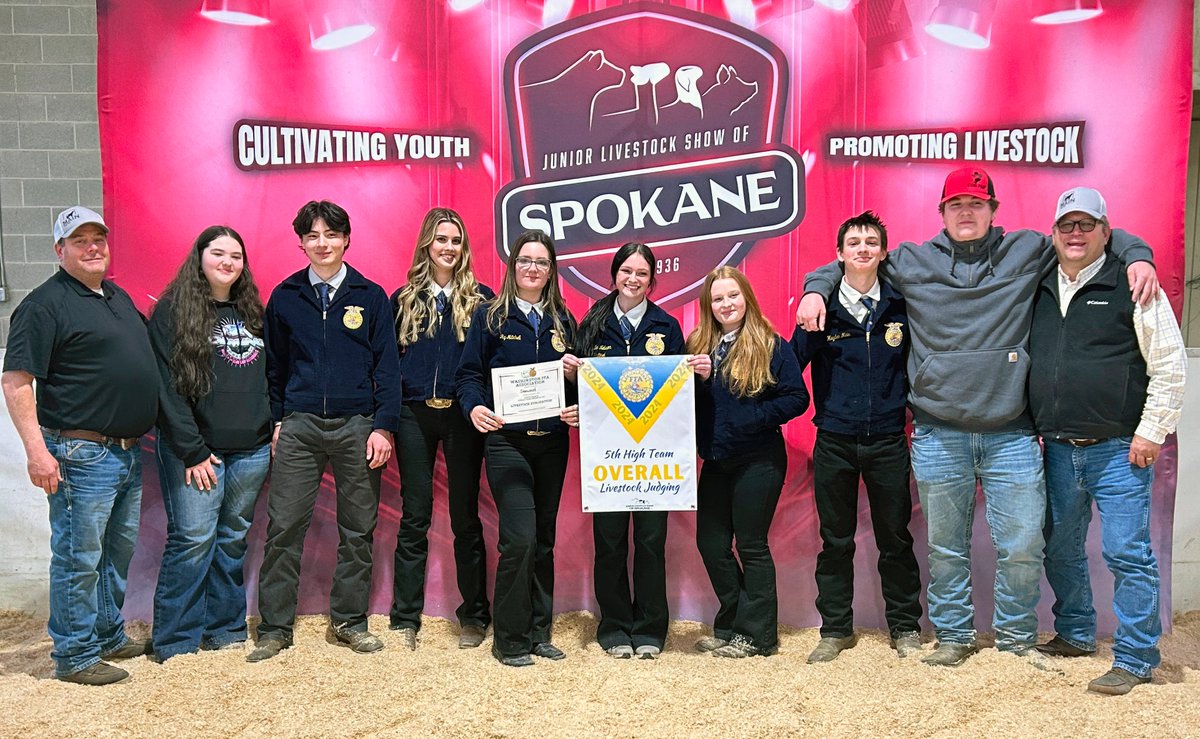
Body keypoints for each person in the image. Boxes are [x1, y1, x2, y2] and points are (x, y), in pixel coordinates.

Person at [796, 167, 1158, 667]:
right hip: (939, 433)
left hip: (1011, 434)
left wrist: (1139, 255)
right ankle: (953, 636)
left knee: (1024, 545)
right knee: (946, 548)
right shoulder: (910, 260)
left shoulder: (1029, 249)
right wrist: (816, 288)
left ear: (993, 211)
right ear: (942, 213)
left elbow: (1090, 236)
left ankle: (1014, 640)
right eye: (956, 205)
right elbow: (853, 264)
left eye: (976, 204)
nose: (966, 212)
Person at [1029, 187, 1187, 695]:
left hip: (1120, 448)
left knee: (1127, 553)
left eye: (1087, 225)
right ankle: (1075, 633)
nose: (1076, 234)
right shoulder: (1037, 281)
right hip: (1055, 446)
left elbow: (1169, 365)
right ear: (1053, 233)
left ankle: (1137, 657)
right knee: (1061, 548)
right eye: (1066, 226)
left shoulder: (1134, 283)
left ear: (1106, 231)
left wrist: (1150, 431)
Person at [1, 206, 158, 685]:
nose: (93, 248)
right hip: (79, 453)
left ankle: (108, 633)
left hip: (126, 451)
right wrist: (36, 451)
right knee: (78, 556)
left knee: (115, 552)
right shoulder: (43, 304)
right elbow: (16, 380)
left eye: (99, 239)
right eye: (80, 240)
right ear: (59, 250)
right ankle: (74, 654)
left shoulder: (114, 294)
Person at [248, 200, 401, 662]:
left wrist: (384, 428)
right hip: (299, 426)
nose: (322, 244)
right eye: (312, 236)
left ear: (346, 239)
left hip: (358, 427)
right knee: (284, 527)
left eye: (331, 235)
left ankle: (350, 622)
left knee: (358, 529)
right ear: (301, 243)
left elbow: (388, 371)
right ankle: (275, 627)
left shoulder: (370, 296)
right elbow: (272, 367)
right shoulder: (285, 296)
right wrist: (278, 421)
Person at [562, 243, 708, 659]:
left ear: (652, 279)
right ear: (614, 274)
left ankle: (649, 628)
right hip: (606, 458)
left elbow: (680, 395)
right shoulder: (591, 323)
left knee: (650, 542)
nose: (633, 279)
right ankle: (613, 626)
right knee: (608, 544)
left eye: (642, 273)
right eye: (626, 271)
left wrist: (695, 376)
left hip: (654, 459)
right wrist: (572, 376)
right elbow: (580, 392)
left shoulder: (667, 326)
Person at [790, 211, 922, 663]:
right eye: (854, 242)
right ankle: (835, 629)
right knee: (836, 541)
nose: (862, 249)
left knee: (896, 539)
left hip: (888, 440)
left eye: (871, 242)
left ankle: (905, 627)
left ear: (883, 253)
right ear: (839, 254)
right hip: (834, 441)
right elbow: (791, 369)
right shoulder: (820, 310)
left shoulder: (902, 306)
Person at [148, 225, 272, 661]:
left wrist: (272, 424)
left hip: (252, 450)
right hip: (197, 453)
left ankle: (225, 630)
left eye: (236, 256)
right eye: (218, 253)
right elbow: (165, 390)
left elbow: (269, 375)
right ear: (199, 257)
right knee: (193, 539)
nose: (227, 262)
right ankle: (176, 641)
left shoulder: (253, 311)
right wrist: (193, 450)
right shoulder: (172, 313)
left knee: (232, 540)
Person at [456, 229, 578, 667]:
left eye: (541, 262)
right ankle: (509, 638)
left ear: (551, 270)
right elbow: (468, 375)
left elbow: (583, 385)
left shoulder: (565, 320)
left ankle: (539, 632)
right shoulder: (489, 315)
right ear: (513, 266)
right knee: (520, 539)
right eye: (525, 260)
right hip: (507, 443)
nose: (533, 268)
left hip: (553, 444)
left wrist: (576, 400)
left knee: (544, 540)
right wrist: (474, 408)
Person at [689, 266, 808, 658]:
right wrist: (700, 382)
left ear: (747, 299)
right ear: (709, 304)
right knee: (711, 543)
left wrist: (752, 420)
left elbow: (796, 398)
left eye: (732, 296)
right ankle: (734, 622)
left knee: (752, 545)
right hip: (716, 460)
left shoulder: (771, 343)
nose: (726, 304)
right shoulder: (698, 345)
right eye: (718, 298)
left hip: (759, 459)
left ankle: (758, 637)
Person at [389, 208, 495, 650]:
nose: (448, 247)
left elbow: (493, 366)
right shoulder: (402, 298)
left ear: (464, 247)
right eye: (440, 239)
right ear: (426, 245)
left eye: (455, 240)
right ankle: (404, 617)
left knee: (465, 517)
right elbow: (388, 361)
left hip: (462, 416)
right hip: (414, 414)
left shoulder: (483, 299)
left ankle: (474, 615)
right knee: (414, 515)